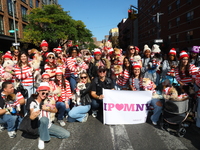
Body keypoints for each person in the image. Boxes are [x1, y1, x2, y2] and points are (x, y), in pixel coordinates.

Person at [28, 82, 70, 149]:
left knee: (66, 134)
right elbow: (31, 117)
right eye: (43, 93)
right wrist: (35, 114)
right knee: (44, 119)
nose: (44, 95)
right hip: (37, 126)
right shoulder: (33, 102)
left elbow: (56, 110)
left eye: (46, 93)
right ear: (38, 91)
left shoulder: (49, 100)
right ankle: (42, 138)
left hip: (48, 125)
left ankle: (43, 133)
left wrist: (48, 108)